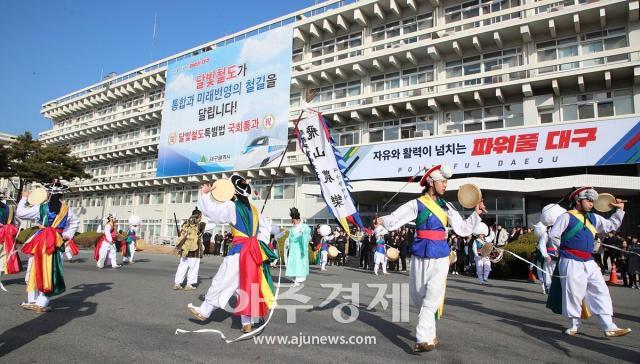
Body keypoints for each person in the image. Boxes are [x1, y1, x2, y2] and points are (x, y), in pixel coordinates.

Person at [375, 164, 486, 352]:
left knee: (433, 296)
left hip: (441, 255)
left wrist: (476, 214)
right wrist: (382, 220)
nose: (446, 185)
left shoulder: (448, 207)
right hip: (419, 254)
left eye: (446, 182)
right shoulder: (416, 204)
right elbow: (395, 218)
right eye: (443, 182)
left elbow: (461, 229)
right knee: (419, 298)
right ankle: (431, 335)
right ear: (431, 183)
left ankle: (423, 339)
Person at [187, 175, 277, 334]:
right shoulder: (255, 210)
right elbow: (266, 229)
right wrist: (258, 243)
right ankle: (247, 322)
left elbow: (214, 213)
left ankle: (204, 311)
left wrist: (205, 195)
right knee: (247, 285)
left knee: (222, 280)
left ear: (233, 192)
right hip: (253, 251)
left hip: (238, 251)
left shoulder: (232, 206)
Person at [547, 186, 631, 337]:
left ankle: (609, 326)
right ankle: (574, 325)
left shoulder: (594, 217)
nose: (592, 203)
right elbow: (554, 235)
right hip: (570, 260)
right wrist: (561, 250)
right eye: (588, 200)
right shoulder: (566, 216)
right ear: (578, 200)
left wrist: (619, 210)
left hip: (589, 260)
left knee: (601, 290)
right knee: (573, 293)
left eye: (593, 200)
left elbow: (611, 225)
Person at [17, 179, 79, 313]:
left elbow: (20, 213)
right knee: (52, 270)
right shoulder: (67, 210)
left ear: (47, 194)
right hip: (56, 241)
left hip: (41, 241)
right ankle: (41, 302)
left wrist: (24, 198)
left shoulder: (41, 208)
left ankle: (33, 300)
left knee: (34, 267)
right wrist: (66, 236)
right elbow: (74, 223)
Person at [174, 208, 204, 290]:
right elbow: (212, 225)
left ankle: (177, 283)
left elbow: (181, 234)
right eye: (201, 216)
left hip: (184, 248)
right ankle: (189, 284)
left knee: (182, 266)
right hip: (195, 250)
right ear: (199, 216)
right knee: (193, 267)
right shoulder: (201, 225)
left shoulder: (185, 223)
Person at [284, 207, 310, 287]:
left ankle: (298, 280)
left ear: (298, 220)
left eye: (294, 220)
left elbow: (307, 233)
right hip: (293, 249)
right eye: (292, 221)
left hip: (299, 248)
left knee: (299, 263)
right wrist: (288, 242)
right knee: (293, 263)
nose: (293, 222)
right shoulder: (292, 228)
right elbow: (290, 237)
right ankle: (295, 279)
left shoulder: (304, 226)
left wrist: (303, 233)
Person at [0, 189, 22, 278]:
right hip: (6, 235)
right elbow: (15, 223)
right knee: (3, 257)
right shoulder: (9, 208)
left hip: (3, 233)